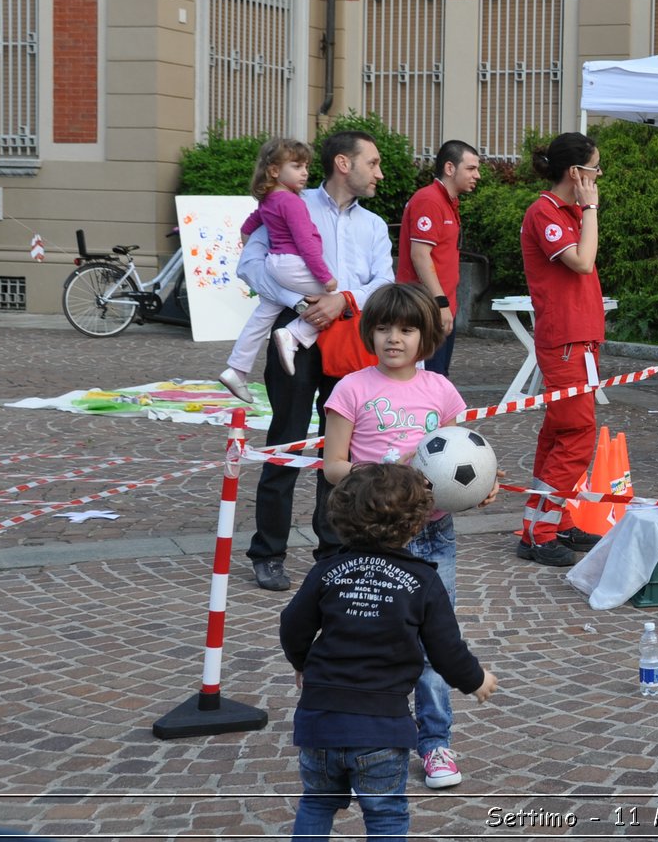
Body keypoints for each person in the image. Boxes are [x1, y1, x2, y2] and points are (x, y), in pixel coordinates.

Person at [320, 282, 497, 791]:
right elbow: (333, 466)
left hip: (435, 535)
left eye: (406, 328)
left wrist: (482, 487)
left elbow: (468, 455)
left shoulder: (440, 391)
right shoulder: (350, 390)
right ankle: (366, 732)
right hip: (373, 538)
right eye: (383, 327)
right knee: (371, 636)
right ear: (368, 331)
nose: (393, 338)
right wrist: (382, 471)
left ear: (425, 336)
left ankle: (436, 742)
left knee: (434, 642)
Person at [280, 462, 497, 839]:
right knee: (386, 816)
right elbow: (446, 650)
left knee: (316, 802)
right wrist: (476, 679)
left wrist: (302, 662)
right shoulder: (423, 580)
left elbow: (292, 626)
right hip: (382, 729)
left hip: (319, 722)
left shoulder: (326, 571)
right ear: (416, 524)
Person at [238, 127, 391, 592]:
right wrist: (302, 302)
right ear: (344, 164)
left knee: (339, 451)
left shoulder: (374, 225)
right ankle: (268, 553)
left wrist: (344, 300)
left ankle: (333, 552)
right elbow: (248, 265)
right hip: (296, 338)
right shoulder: (290, 203)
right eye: (373, 163)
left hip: (350, 344)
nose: (379, 174)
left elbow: (385, 282)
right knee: (285, 442)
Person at [517, 132, 608, 566]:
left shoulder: (565, 212)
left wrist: (584, 210)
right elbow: (582, 261)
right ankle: (541, 530)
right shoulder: (545, 212)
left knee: (559, 433)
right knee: (576, 434)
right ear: (576, 173)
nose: (599, 175)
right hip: (566, 341)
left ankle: (549, 518)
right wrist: (590, 209)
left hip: (579, 340)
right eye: (594, 168)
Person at [218, 138, 338, 403]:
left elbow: (247, 227)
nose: (304, 172)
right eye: (296, 166)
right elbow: (306, 243)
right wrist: (325, 278)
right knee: (335, 302)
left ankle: (237, 369)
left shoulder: (269, 200)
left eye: (306, 166)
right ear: (274, 171)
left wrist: (252, 249)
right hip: (293, 264)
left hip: (275, 263)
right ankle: (294, 334)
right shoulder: (292, 202)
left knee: (262, 315)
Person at [396, 140, 481, 378]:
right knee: (429, 379)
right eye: (471, 168)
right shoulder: (429, 200)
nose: (477, 175)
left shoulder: (446, 201)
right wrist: (441, 303)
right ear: (450, 168)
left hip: (439, 307)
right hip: (428, 308)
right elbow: (420, 255)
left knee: (437, 377)